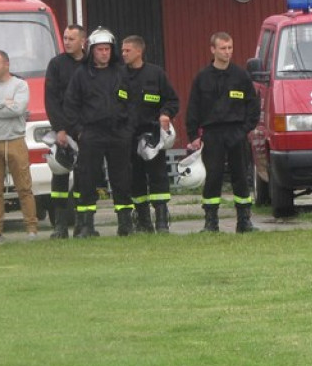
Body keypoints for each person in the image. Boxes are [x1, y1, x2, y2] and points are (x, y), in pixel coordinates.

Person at [186, 31, 261, 233]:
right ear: (213, 50)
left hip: (236, 132)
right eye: (223, 48)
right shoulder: (202, 78)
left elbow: (253, 106)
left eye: (230, 48)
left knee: (241, 176)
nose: (227, 52)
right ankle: (211, 222)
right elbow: (193, 107)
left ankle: (244, 221)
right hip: (212, 133)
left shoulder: (241, 76)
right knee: (213, 177)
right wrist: (193, 135)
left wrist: (244, 129)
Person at [63, 27, 135, 238]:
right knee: (87, 178)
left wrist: (128, 130)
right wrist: (79, 131)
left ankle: (125, 223)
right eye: (100, 49)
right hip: (91, 134)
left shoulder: (121, 73)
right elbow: (70, 105)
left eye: (107, 49)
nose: (104, 53)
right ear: (91, 51)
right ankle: (86, 225)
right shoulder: (81, 75)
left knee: (122, 178)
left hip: (118, 133)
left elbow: (132, 103)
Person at [0, 50, 39, 243]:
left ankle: (32, 230)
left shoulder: (20, 85)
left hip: (15, 141)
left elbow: (18, 109)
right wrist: (2, 103)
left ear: (7, 65)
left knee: (24, 187)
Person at [121, 35, 180, 233]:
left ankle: (162, 220)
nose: (123, 54)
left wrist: (165, 114)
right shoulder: (119, 76)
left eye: (127, 50)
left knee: (158, 177)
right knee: (134, 178)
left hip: (152, 135)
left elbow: (172, 100)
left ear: (139, 51)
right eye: (122, 50)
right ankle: (143, 220)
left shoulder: (156, 74)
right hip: (128, 136)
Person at [44, 24, 86, 238]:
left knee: (84, 178)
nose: (67, 42)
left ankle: (83, 224)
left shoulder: (90, 64)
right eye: (65, 38)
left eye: (71, 38)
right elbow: (51, 99)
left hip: (85, 131)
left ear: (83, 41)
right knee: (60, 177)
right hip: (63, 132)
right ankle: (60, 226)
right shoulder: (56, 64)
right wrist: (59, 129)